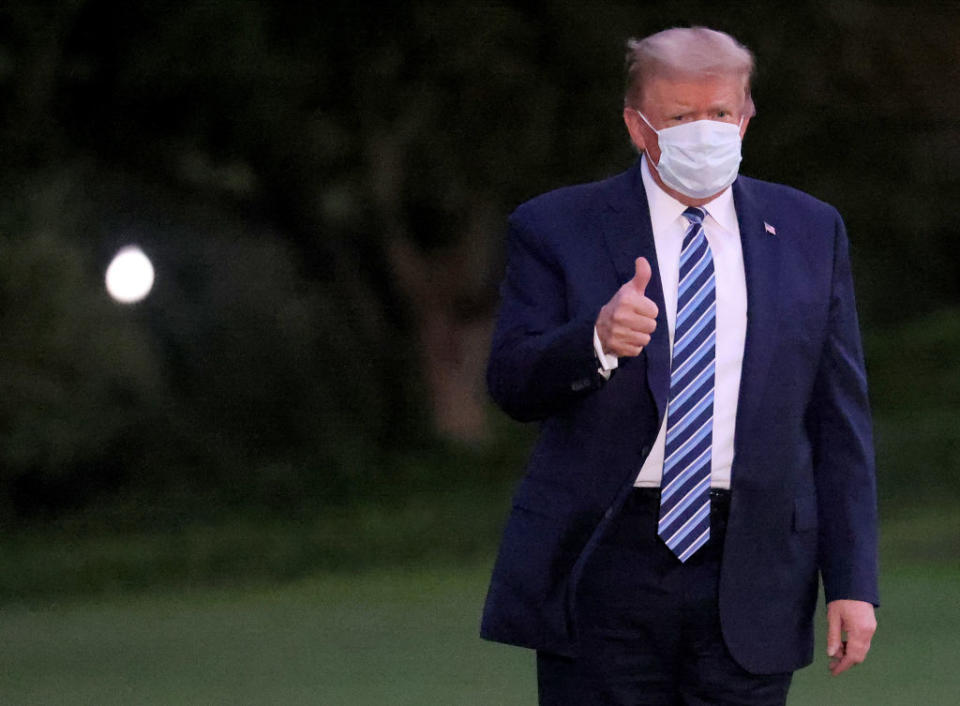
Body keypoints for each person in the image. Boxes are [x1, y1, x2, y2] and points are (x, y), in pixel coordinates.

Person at [480, 26, 878, 705]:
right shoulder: (556, 227)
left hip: (754, 562)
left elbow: (838, 422)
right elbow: (512, 381)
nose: (705, 132)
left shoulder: (810, 230)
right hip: (606, 559)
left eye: (720, 113)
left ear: (747, 115)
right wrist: (596, 340)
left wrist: (851, 582)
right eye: (680, 117)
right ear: (638, 127)